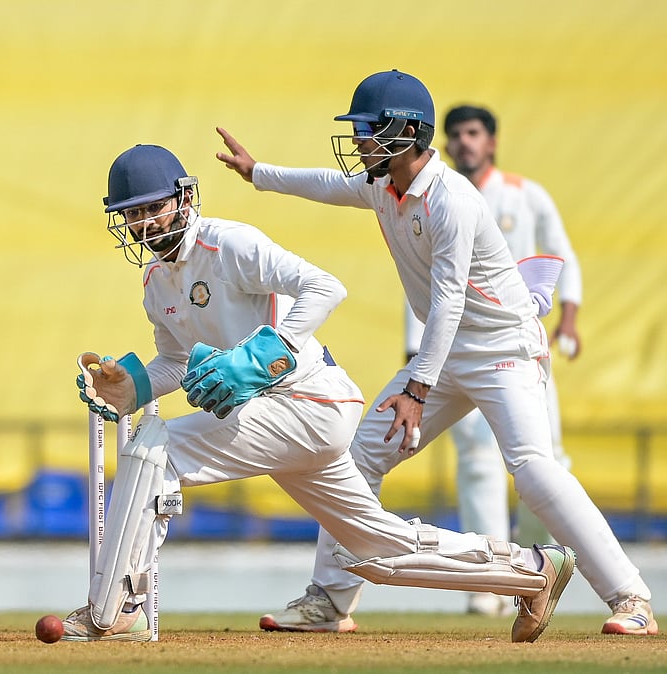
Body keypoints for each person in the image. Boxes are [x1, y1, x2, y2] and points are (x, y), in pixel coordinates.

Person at [64, 143, 576, 644]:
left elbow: (325, 286)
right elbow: (176, 361)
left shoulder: (229, 245)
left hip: (311, 401)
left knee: (154, 452)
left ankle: (119, 608)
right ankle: (531, 569)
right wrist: (132, 387)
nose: (146, 224)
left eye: (153, 208)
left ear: (183, 198)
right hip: (277, 418)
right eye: (133, 214)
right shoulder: (156, 282)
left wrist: (269, 351)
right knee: (375, 549)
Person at [216, 70, 656, 636]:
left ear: (407, 133)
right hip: (447, 352)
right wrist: (258, 174)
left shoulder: (453, 200)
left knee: (533, 471)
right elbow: (326, 184)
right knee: (355, 459)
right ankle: (329, 601)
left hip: (504, 348)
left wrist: (416, 390)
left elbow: (448, 302)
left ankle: (631, 599)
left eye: (369, 130)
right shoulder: (382, 185)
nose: (358, 141)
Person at [401, 104, 585, 616]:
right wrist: (418, 358)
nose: (464, 142)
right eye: (456, 134)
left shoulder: (526, 195)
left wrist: (569, 318)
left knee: (543, 464)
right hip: (454, 352)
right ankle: (490, 584)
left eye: (473, 133)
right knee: (477, 463)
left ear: (492, 142)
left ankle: (540, 567)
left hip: (516, 349)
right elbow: (421, 285)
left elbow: (563, 255)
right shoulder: (428, 196)